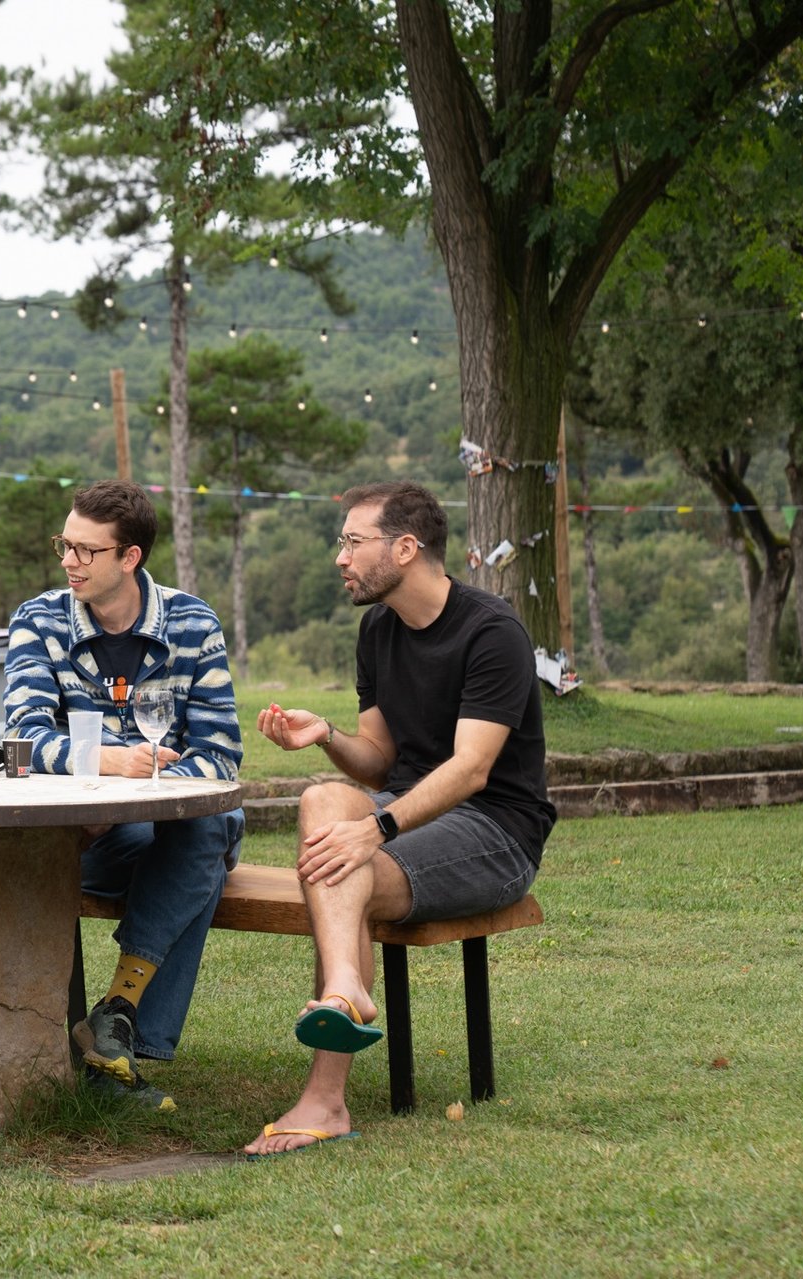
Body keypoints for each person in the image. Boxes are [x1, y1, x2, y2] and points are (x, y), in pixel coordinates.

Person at [244, 480, 554, 1156]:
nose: (340, 557)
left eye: (353, 541)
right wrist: (325, 734)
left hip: (495, 831)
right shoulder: (378, 629)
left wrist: (377, 830)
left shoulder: (492, 630)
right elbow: (382, 760)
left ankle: (324, 1098)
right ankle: (347, 989)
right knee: (322, 803)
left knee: (342, 858)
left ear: (406, 547)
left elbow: (473, 769)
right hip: (407, 818)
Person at [3, 479, 244, 1112]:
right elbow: (21, 741)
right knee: (204, 856)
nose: (68, 562)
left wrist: (134, 800)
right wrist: (109, 766)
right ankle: (117, 1050)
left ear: (129, 557)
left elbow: (219, 757)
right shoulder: (40, 619)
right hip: (74, 841)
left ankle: (115, 1019)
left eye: (86, 551)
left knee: (209, 825)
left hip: (156, 832)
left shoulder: (192, 623)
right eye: (65, 545)